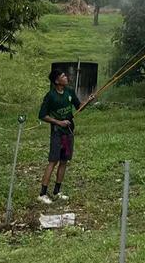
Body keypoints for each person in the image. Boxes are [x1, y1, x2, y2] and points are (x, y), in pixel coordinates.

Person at [37, 68, 94, 204]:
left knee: (64, 161)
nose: (66, 77)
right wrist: (59, 122)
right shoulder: (50, 96)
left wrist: (88, 100)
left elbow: (79, 106)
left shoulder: (69, 92)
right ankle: (42, 194)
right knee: (53, 161)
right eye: (63, 76)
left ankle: (57, 191)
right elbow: (42, 115)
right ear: (57, 80)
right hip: (57, 132)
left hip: (68, 132)